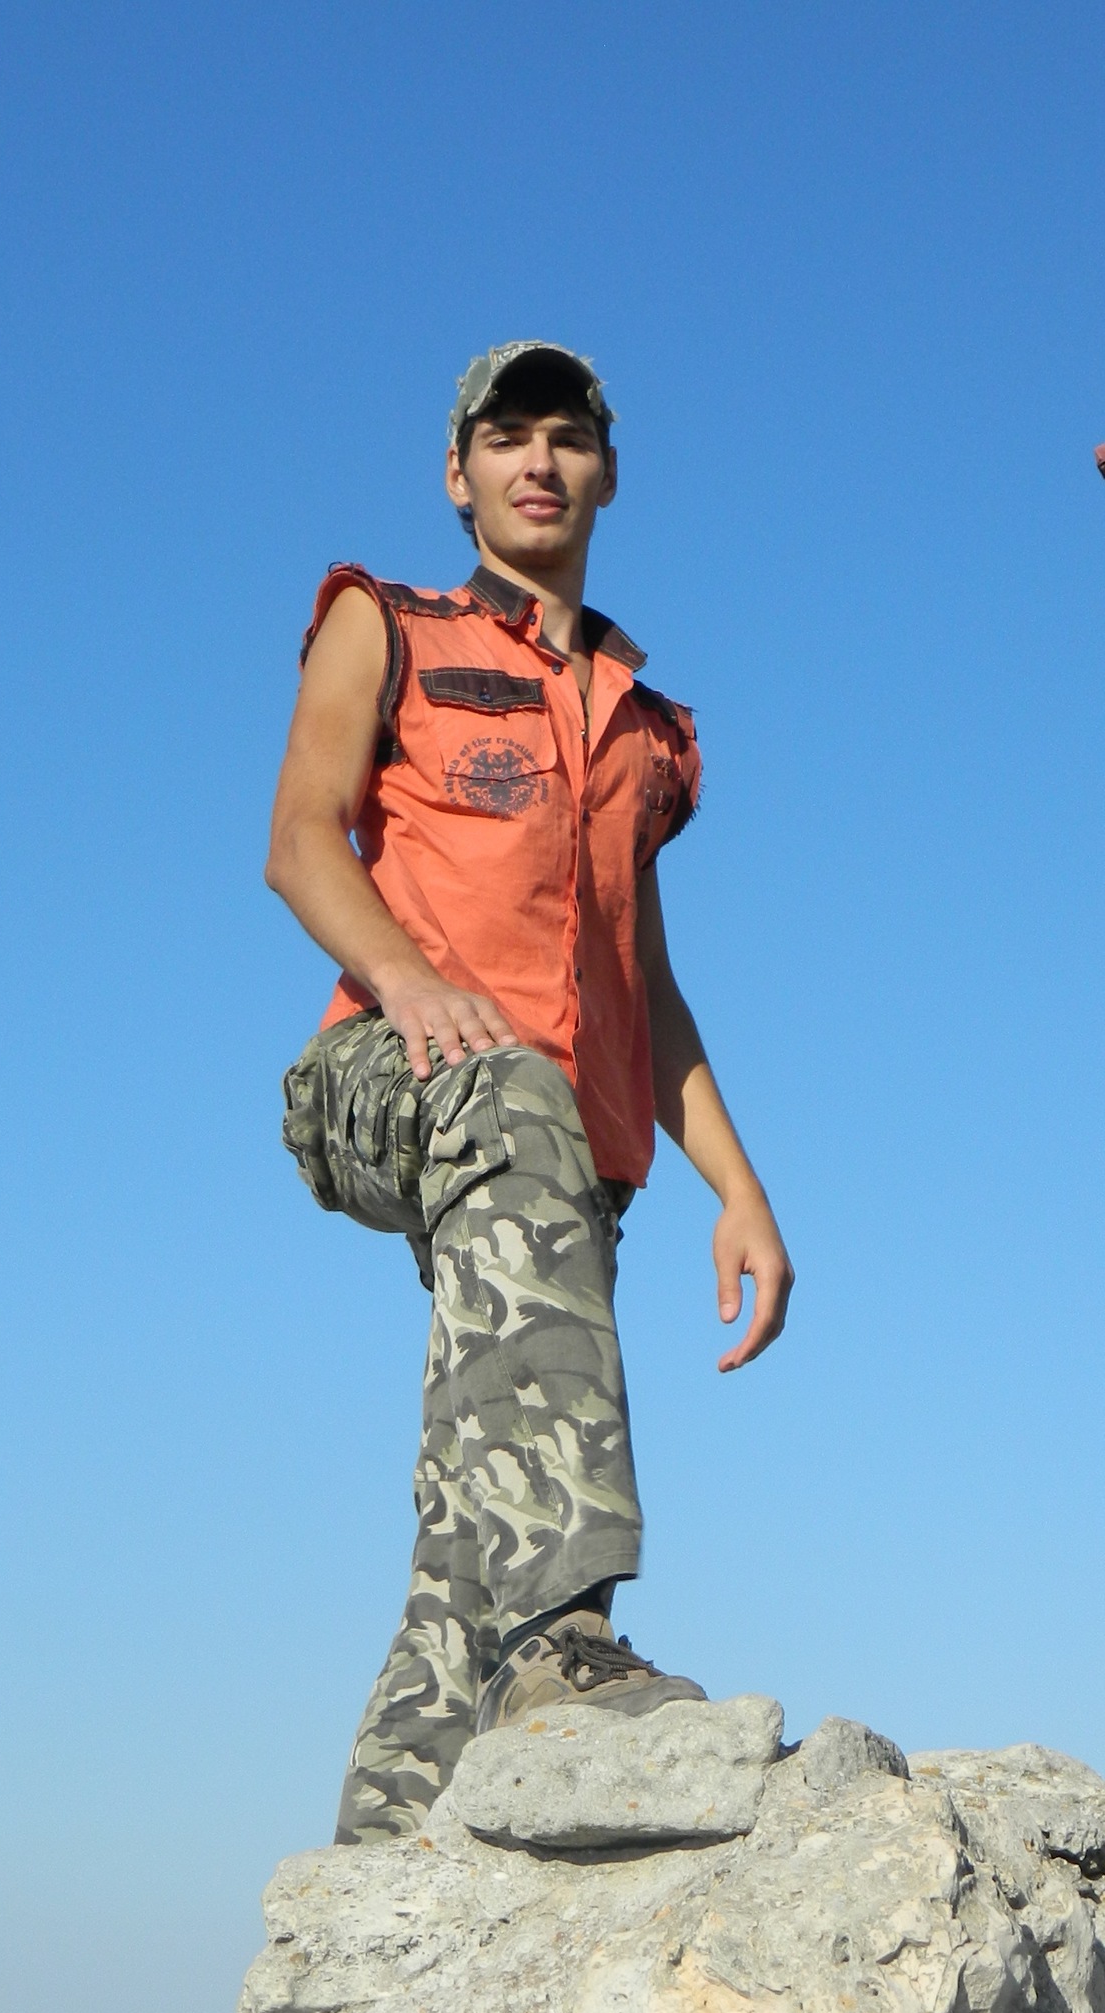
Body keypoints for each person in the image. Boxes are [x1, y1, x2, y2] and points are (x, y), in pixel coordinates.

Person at [265, 340, 794, 1846]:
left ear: (608, 472)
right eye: (506, 437)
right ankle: (571, 1634)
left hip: (557, 1157)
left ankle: (386, 1867)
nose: (538, 462)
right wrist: (410, 983)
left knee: (475, 1503)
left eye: (567, 437)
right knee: (511, 1097)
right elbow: (300, 841)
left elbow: (644, 977)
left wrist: (739, 1189)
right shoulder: (385, 625)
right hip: (392, 1077)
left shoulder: (646, 726)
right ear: (460, 474)